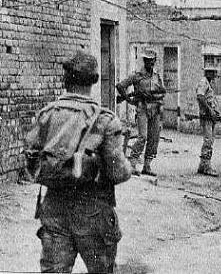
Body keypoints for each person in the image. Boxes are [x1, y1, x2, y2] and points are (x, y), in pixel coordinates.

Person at [25, 52, 132, 272]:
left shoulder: (46, 114)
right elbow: (119, 173)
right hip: (93, 214)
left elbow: (31, 163)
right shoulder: (105, 120)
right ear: (94, 80)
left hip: (54, 210)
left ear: (66, 79)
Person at [116, 50, 166, 176]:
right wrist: (129, 99)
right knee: (142, 136)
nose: (150, 62)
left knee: (154, 138)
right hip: (143, 107)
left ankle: (147, 166)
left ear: (155, 60)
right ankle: (132, 164)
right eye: (147, 60)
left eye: (152, 60)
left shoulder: (157, 75)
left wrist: (157, 97)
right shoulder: (137, 75)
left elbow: (163, 91)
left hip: (155, 108)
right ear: (144, 61)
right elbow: (120, 86)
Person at [195, 69, 221, 177]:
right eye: (212, 72)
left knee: (209, 140)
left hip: (210, 116)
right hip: (206, 116)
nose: (215, 74)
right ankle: (206, 166)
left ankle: (203, 165)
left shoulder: (209, 83)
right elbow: (200, 97)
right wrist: (209, 110)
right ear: (207, 73)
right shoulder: (203, 82)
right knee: (208, 141)